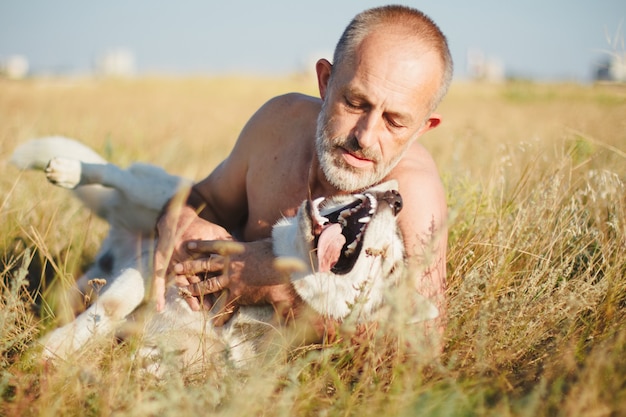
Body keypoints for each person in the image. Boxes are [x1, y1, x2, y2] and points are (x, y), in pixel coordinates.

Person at [153, 4, 453, 345]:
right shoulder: (278, 124)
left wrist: (285, 293)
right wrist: (178, 218)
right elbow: (206, 197)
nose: (366, 136)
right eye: (355, 102)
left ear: (423, 128)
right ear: (325, 81)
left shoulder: (415, 194)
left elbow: (424, 344)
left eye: (395, 122)